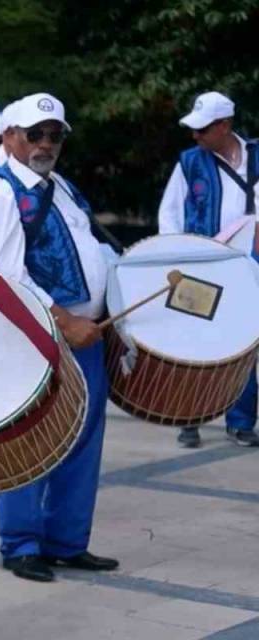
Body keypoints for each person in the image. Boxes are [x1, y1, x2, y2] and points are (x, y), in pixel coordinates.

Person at [0, 93, 120, 584]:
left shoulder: (65, 188)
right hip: (32, 338)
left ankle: (67, 542)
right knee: (29, 441)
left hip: (86, 334)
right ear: (8, 135)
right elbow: (8, 277)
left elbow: (97, 248)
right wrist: (65, 320)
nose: (46, 143)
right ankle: (22, 544)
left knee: (83, 440)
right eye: (35, 134)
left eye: (55, 135)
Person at [157, 91, 259, 448]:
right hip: (198, 267)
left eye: (203, 129)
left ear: (225, 125)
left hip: (249, 269)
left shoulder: (258, 156)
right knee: (194, 345)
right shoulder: (189, 162)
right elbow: (168, 213)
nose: (196, 136)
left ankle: (241, 422)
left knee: (245, 346)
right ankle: (189, 419)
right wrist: (175, 255)